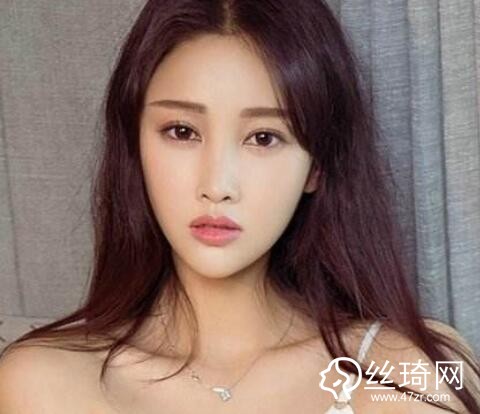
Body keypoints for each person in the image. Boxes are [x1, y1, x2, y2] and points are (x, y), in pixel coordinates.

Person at [0, 0, 479, 413]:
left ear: (316, 166)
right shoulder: (41, 384)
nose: (217, 186)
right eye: (182, 131)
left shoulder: (411, 373)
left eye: (264, 137)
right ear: (134, 144)